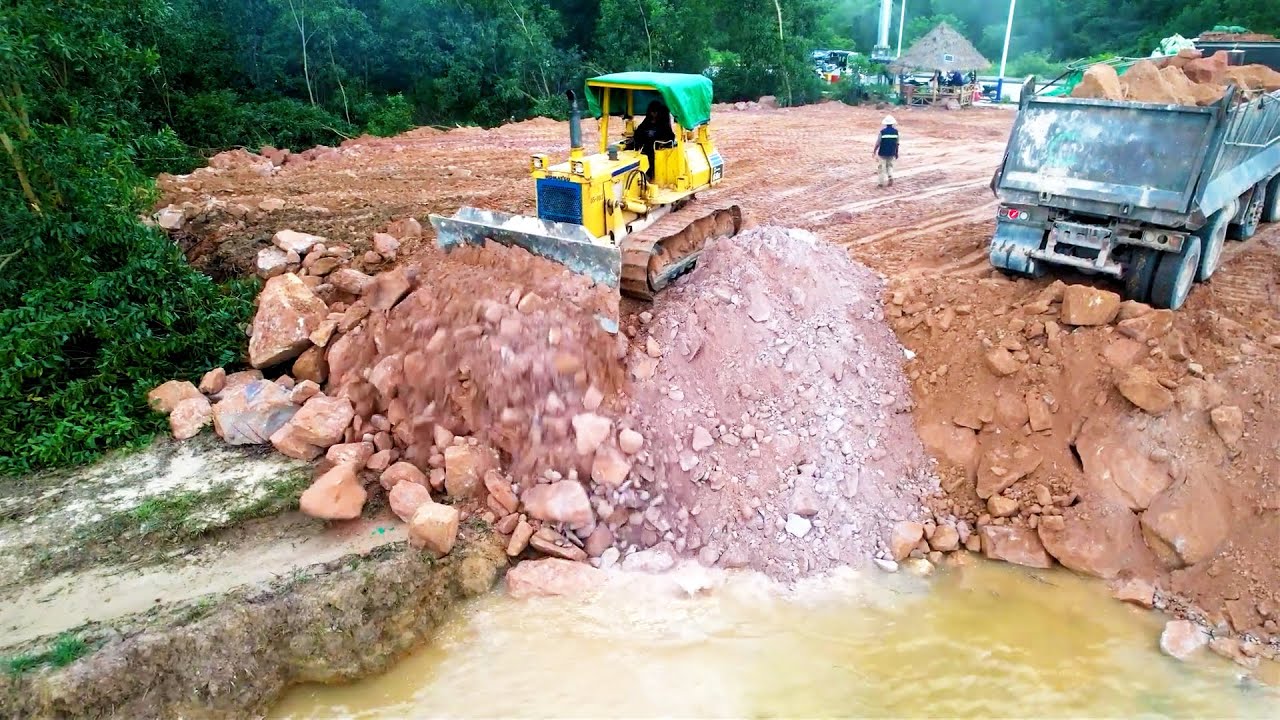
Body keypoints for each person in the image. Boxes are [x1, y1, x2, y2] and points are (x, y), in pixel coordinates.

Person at [625, 100, 675, 180]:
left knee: (650, 153)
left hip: (656, 147)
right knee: (630, 148)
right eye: (652, 112)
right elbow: (639, 131)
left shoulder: (663, 123)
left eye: (655, 112)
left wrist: (662, 143)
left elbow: (670, 136)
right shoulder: (647, 121)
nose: (653, 114)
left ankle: (649, 174)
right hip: (645, 145)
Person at [873, 115, 899, 188]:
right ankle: (890, 176)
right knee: (890, 166)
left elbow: (878, 143)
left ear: (885, 124)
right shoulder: (896, 132)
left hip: (882, 152)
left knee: (881, 168)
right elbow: (897, 143)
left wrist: (874, 151)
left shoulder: (882, 132)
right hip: (892, 152)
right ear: (892, 123)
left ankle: (880, 183)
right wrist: (896, 153)